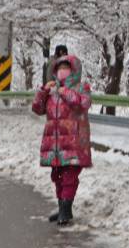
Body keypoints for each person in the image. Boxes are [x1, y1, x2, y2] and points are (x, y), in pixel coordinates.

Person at [32, 55, 92, 227]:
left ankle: (66, 209)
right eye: (59, 69)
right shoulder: (51, 91)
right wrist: (44, 90)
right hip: (55, 144)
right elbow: (36, 108)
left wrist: (64, 91)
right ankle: (63, 207)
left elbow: (83, 104)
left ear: (74, 70)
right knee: (57, 176)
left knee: (69, 176)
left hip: (74, 143)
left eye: (66, 68)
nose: (62, 72)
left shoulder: (82, 88)